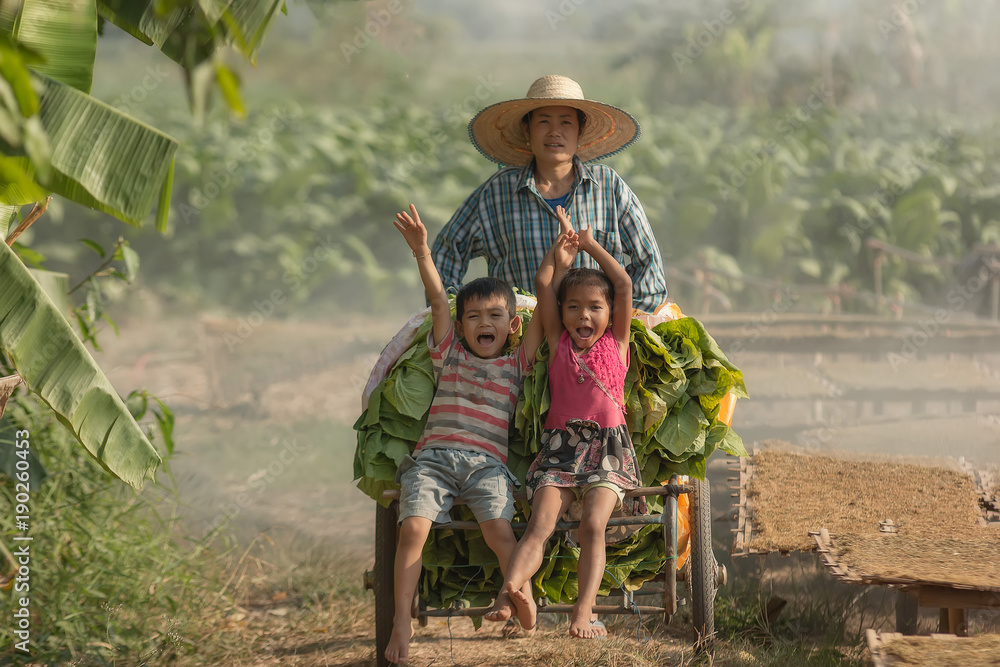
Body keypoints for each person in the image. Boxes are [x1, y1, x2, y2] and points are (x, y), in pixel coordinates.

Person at [386, 204, 567, 663]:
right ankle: (401, 623)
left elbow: (546, 317)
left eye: (494, 316)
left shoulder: (516, 364)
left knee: (499, 532)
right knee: (412, 530)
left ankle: (522, 600)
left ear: (512, 326)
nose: (483, 323)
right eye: (474, 317)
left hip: (488, 465)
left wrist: (557, 262)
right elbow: (439, 301)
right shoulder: (449, 355)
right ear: (461, 327)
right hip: (433, 459)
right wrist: (422, 252)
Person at [484, 206, 647, 639]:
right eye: (573, 307)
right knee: (540, 526)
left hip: (608, 452)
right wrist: (561, 253)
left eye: (595, 307)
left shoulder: (618, 343)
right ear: (562, 313)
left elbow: (624, 283)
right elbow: (542, 285)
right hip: (559, 448)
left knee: (594, 524)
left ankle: (583, 610)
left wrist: (591, 244)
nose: (584, 317)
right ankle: (509, 592)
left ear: (610, 314)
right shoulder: (558, 344)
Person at [432, 74, 668, 314]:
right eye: (544, 122)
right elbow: (447, 250)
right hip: (519, 342)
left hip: (593, 339)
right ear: (527, 129)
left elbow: (647, 260)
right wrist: (456, 317)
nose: (555, 132)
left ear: (581, 130)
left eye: (566, 122)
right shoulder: (496, 192)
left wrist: (624, 325)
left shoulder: (608, 186)